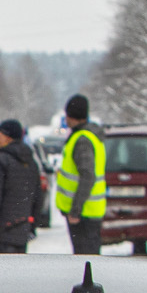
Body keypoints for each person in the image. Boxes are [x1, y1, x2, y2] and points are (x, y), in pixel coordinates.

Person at [0, 119, 41, 255]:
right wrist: (31, 225)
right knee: (16, 274)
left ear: (6, 137)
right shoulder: (31, 162)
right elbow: (37, 197)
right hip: (21, 232)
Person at [56, 93, 107, 256]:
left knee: (85, 260)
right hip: (89, 211)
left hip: (83, 214)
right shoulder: (91, 136)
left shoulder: (82, 140)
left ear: (72, 116)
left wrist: (75, 210)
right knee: (88, 258)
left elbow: (87, 176)